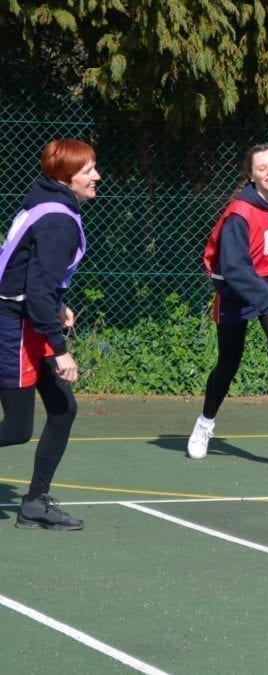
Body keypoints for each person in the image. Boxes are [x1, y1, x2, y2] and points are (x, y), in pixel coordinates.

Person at [187, 144, 268, 463]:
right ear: (251, 175)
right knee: (228, 364)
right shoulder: (239, 214)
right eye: (262, 168)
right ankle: (205, 424)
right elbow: (234, 268)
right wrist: (266, 303)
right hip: (237, 292)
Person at [0, 139, 100, 530]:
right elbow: (36, 291)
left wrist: (57, 304)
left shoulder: (44, 203)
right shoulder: (58, 221)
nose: (96, 176)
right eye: (87, 171)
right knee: (16, 428)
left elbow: (27, 270)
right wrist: (61, 350)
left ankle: (34, 504)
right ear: (66, 177)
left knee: (63, 409)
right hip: (15, 324)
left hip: (29, 316)